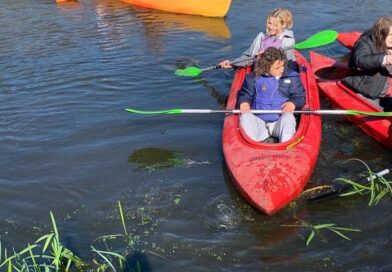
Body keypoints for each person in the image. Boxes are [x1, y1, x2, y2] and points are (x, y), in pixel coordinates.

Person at [237, 47, 305, 143]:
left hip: (279, 121)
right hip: (258, 122)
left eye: (283, 65)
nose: (282, 70)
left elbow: (299, 97)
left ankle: (286, 148)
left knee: (289, 117)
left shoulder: (291, 77)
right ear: (266, 66)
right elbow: (245, 94)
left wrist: (293, 103)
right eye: (277, 68)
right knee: (245, 116)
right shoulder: (252, 78)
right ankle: (252, 146)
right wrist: (244, 102)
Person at [342, 16, 392, 111]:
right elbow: (360, 60)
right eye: (391, 35)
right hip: (368, 91)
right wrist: (386, 59)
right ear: (382, 34)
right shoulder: (366, 42)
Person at [219, 8, 295, 69]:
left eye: (275, 25)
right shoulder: (261, 36)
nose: (271, 27)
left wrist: (264, 57)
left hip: (277, 75)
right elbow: (249, 56)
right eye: (269, 23)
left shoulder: (288, 41)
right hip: (259, 71)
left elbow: (287, 66)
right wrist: (232, 63)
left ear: (283, 25)